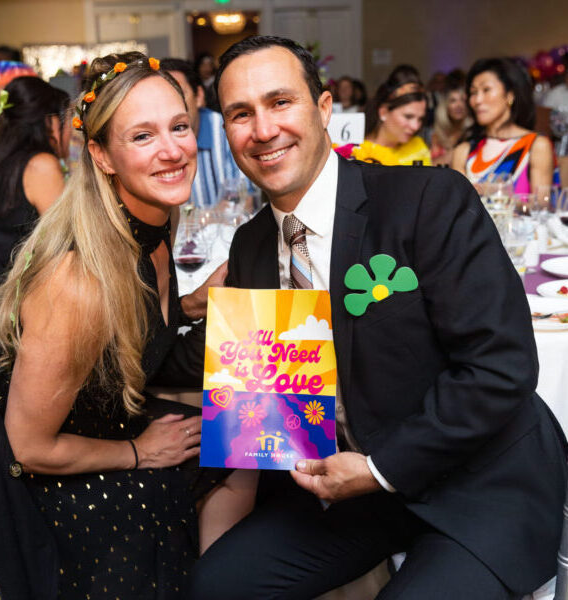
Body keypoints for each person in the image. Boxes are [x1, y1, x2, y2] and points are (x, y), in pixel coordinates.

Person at [188, 35, 568, 600]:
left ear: (323, 109)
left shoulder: (426, 199)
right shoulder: (251, 244)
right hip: (353, 492)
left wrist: (379, 469)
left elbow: (500, 366)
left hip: (480, 478)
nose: (263, 130)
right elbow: (269, 393)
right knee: (216, 585)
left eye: (280, 102)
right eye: (241, 114)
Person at [0, 53, 255, 599]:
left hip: (114, 420)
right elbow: (27, 446)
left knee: (246, 442)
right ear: (102, 155)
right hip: (58, 475)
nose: (172, 150)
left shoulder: (154, 221)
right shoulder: (78, 279)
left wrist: (193, 304)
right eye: (142, 136)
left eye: (179, 127)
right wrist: (139, 452)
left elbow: (136, 331)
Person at [0, 76, 69, 298]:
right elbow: (63, 243)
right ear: (51, 122)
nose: (71, 132)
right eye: (68, 121)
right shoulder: (41, 165)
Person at [160, 58, 252, 208]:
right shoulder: (151, 144)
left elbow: (245, 200)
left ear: (199, 97)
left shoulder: (226, 131)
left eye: (179, 93)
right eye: (161, 98)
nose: (169, 105)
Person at [452, 57, 554, 193]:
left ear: (510, 95)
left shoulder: (536, 145)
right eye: (473, 92)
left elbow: (541, 202)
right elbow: (457, 201)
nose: (477, 100)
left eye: (486, 90)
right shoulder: (464, 151)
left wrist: (494, 193)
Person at [353, 65, 432, 166]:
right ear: (383, 113)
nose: (415, 126)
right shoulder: (357, 151)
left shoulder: (417, 148)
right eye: (408, 116)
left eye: (420, 119)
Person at [430, 74, 472, 166]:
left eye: (462, 100)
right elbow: (430, 165)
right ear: (445, 106)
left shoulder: (472, 132)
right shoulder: (437, 135)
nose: (459, 105)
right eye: (453, 101)